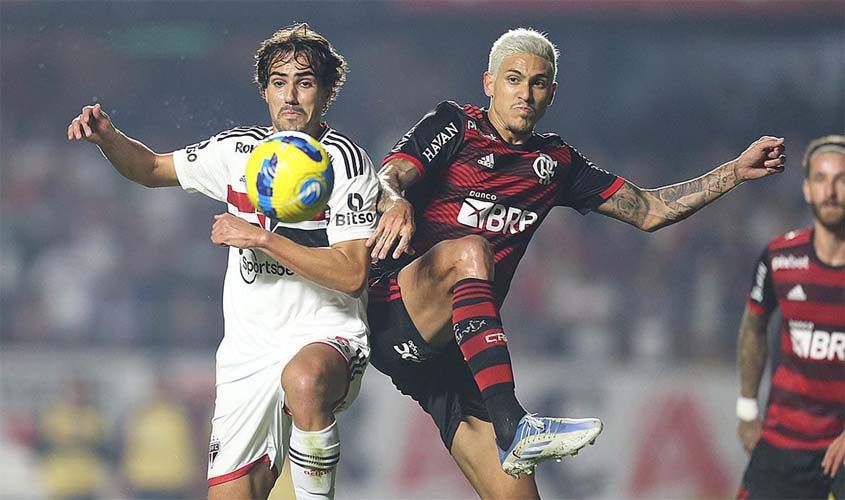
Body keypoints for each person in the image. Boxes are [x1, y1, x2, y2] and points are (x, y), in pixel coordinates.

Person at [365, 27, 787, 499]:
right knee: (470, 250)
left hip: (452, 353)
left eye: (538, 83)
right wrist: (394, 197)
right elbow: (389, 174)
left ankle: (509, 428)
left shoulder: (557, 162)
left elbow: (649, 210)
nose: (525, 93)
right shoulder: (456, 126)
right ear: (489, 83)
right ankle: (514, 424)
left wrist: (734, 171)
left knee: (519, 496)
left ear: (552, 93)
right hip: (396, 310)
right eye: (513, 79)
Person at [67, 23, 379, 500]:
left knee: (306, 378)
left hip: (326, 333)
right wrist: (110, 139)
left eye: (305, 82)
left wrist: (260, 239)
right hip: (246, 357)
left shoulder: (346, 162)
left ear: (327, 91)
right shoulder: (237, 151)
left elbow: (354, 274)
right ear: (265, 90)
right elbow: (151, 168)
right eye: (279, 82)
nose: (291, 95)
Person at [735, 135, 844, 500]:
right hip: (782, 445)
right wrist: (747, 408)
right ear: (807, 190)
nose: (831, 190)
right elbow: (754, 326)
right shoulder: (781, 258)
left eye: (841, 179)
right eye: (821, 179)